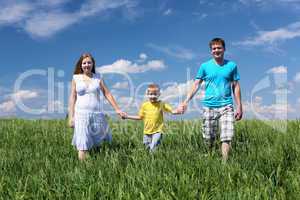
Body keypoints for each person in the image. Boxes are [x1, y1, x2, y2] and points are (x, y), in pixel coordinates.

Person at [179, 38, 243, 161]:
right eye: (214, 48)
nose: (216, 50)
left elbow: (236, 86)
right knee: (209, 137)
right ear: (211, 51)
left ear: (224, 49)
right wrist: (185, 101)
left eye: (219, 48)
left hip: (227, 105)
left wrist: (239, 106)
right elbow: (196, 84)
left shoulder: (232, 66)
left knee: (227, 135)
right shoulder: (204, 66)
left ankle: (225, 163)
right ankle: (210, 156)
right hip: (209, 106)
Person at [68, 53, 126, 160]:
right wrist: (71, 117)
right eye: (84, 63)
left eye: (89, 62)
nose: (87, 65)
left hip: (96, 114)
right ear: (81, 65)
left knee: (96, 142)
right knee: (82, 142)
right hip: (81, 114)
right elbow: (72, 97)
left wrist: (117, 109)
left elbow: (107, 93)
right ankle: (83, 169)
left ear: (93, 64)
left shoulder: (98, 77)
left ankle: (96, 162)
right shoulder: (76, 78)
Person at [123, 83, 182, 152]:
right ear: (147, 94)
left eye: (155, 94)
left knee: (153, 147)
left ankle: (154, 160)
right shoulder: (144, 105)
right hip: (147, 131)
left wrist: (178, 111)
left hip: (158, 130)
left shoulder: (162, 104)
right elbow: (140, 117)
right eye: (151, 94)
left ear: (159, 94)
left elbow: (172, 111)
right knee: (147, 147)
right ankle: (149, 160)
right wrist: (127, 116)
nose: (153, 96)